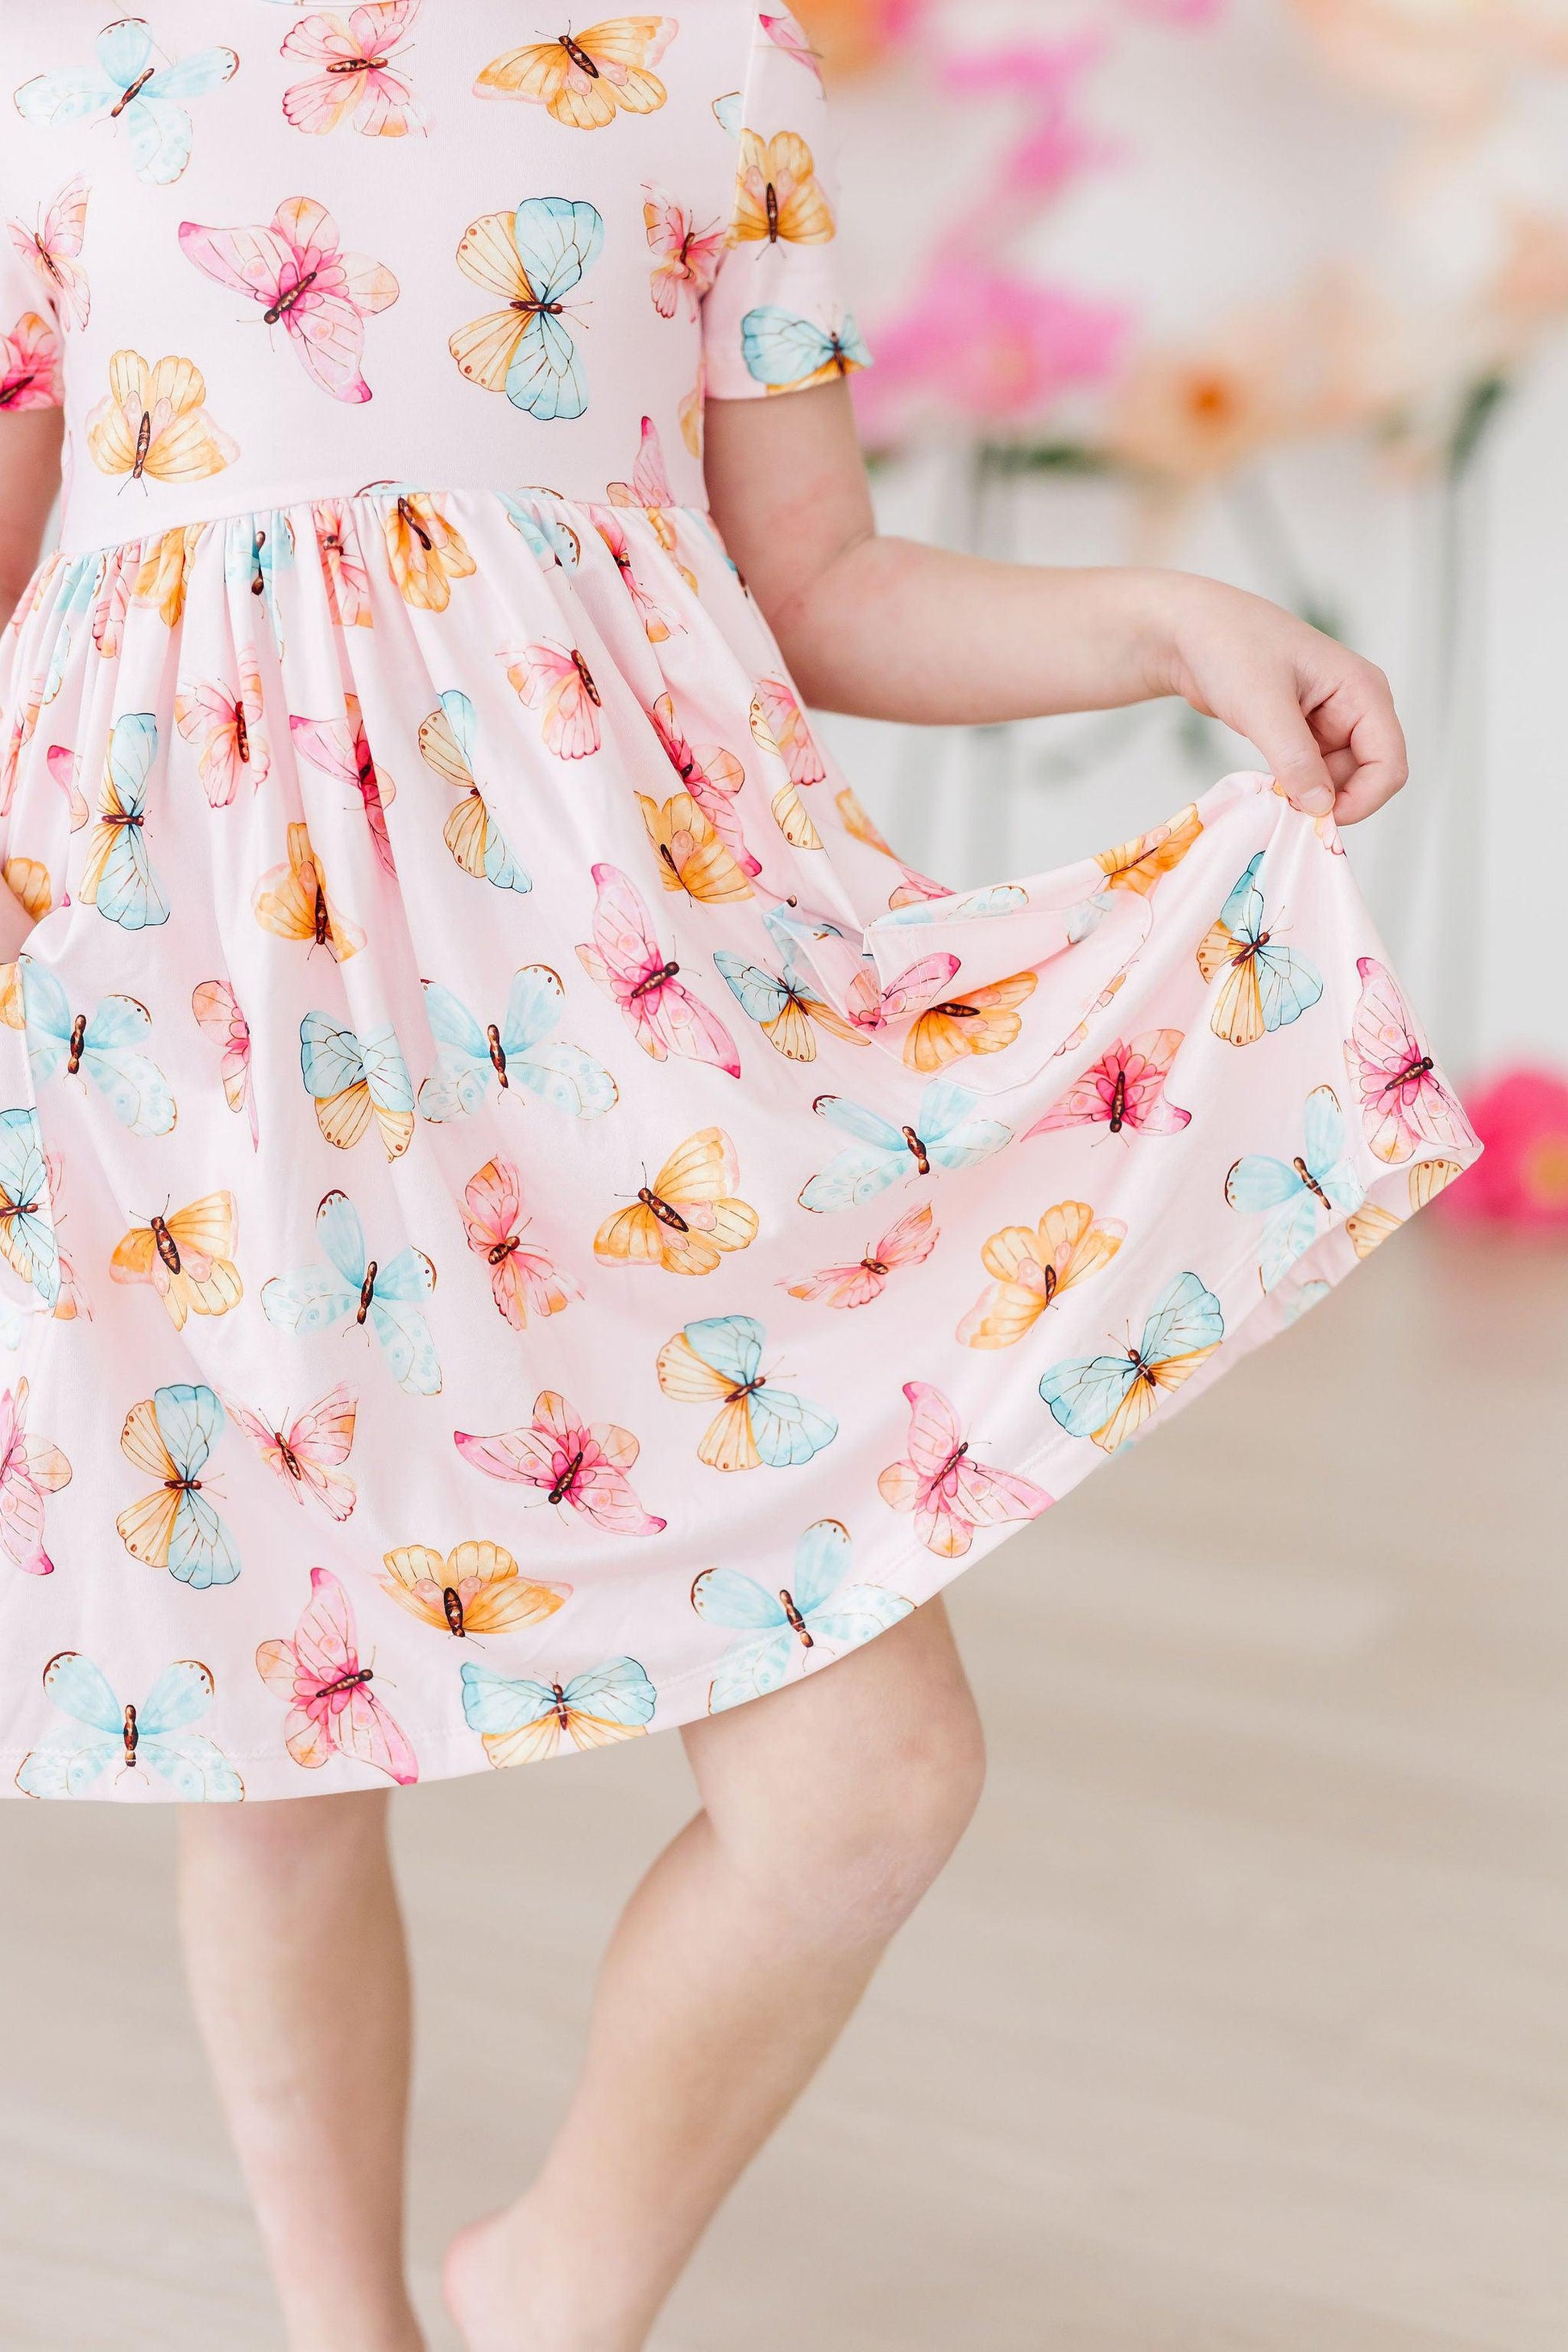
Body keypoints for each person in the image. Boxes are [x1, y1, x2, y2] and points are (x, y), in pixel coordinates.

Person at [0, 6, 1477, 2348]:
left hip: (633, 1039)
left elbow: (820, 581)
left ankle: (551, 2285)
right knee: (275, 1773)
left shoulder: (706, 61)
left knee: (867, 1788)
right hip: (209, 1045)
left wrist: (1166, 622)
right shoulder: (59, 63)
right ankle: (339, 2327)